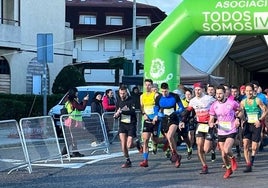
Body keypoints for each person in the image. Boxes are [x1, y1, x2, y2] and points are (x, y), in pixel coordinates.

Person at [209, 85, 240, 179]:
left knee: (226, 150)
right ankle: (228, 169)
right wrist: (211, 123)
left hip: (231, 129)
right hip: (221, 130)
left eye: (220, 93)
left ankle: (233, 158)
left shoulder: (232, 103)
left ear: (225, 94)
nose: (218, 95)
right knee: (223, 154)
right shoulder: (214, 105)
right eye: (217, 93)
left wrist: (238, 119)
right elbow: (211, 118)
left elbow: (240, 111)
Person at [186, 82, 216, 174]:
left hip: (208, 125)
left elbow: (218, 106)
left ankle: (213, 146)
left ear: (203, 90)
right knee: (199, 146)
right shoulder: (193, 100)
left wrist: (216, 119)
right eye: (195, 90)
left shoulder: (209, 99)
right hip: (199, 125)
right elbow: (187, 111)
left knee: (206, 149)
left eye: (199, 90)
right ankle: (204, 166)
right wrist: (182, 120)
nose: (197, 92)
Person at [154, 82, 185, 168]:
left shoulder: (174, 96)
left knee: (170, 136)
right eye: (163, 91)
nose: (164, 93)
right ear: (161, 90)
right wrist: (158, 114)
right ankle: (176, 155)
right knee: (168, 138)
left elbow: (181, 107)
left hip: (173, 118)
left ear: (168, 89)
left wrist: (177, 112)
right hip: (164, 119)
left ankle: (174, 154)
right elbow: (155, 108)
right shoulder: (159, 97)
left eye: (166, 91)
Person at [238, 83, 267, 173]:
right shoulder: (243, 102)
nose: (249, 92)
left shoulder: (258, 100)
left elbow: (265, 110)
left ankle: (252, 158)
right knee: (245, 145)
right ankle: (248, 164)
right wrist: (240, 118)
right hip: (247, 124)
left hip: (256, 125)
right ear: (245, 92)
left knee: (254, 147)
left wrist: (260, 120)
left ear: (253, 91)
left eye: (250, 91)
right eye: (247, 91)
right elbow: (241, 112)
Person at [139, 79, 165, 167]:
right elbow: (142, 107)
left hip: (155, 120)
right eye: (146, 85)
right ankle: (145, 160)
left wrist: (156, 116)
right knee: (145, 139)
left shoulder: (156, 95)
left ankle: (167, 141)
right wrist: (143, 114)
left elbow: (161, 107)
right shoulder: (142, 96)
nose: (147, 87)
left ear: (152, 86)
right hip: (147, 120)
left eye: (149, 85)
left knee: (155, 139)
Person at [114, 85, 140, 168]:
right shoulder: (118, 101)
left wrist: (122, 112)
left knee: (129, 145)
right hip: (122, 124)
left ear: (126, 92)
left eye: (124, 93)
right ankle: (127, 160)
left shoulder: (131, 100)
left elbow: (132, 111)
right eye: (120, 93)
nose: (122, 95)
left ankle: (136, 144)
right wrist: (116, 115)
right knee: (123, 145)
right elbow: (117, 111)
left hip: (131, 124)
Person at [61, 87, 89, 157]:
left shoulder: (72, 100)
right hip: (72, 121)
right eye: (76, 92)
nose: (77, 93)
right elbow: (81, 108)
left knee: (74, 137)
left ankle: (73, 152)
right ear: (73, 93)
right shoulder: (71, 101)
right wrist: (85, 100)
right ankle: (66, 153)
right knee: (71, 138)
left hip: (74, 121)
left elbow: (79, 107)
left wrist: (83, 101)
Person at [181, 88, 196, 160]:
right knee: (184, 136)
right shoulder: (183, 102)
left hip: (192, 119)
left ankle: (190, 147)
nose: (188, 96)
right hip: (184, 120)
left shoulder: (194, 102)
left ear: (192, 95)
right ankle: (189, 145)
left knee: (191, 133)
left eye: (189, 94)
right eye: (186, 94)